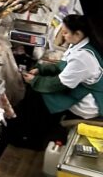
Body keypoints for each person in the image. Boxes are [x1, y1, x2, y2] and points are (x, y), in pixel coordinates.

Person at [9, 15, 103, 149]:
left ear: (78, 33)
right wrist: (41, 70)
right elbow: (63, 67)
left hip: (86, 100)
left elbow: (59, 84)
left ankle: (31, 139)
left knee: (37, 97)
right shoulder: (82, 44)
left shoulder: (83, 57)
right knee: (36, 91)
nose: (63, 36)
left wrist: (35, 80)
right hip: (76, 86)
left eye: (65, 32)